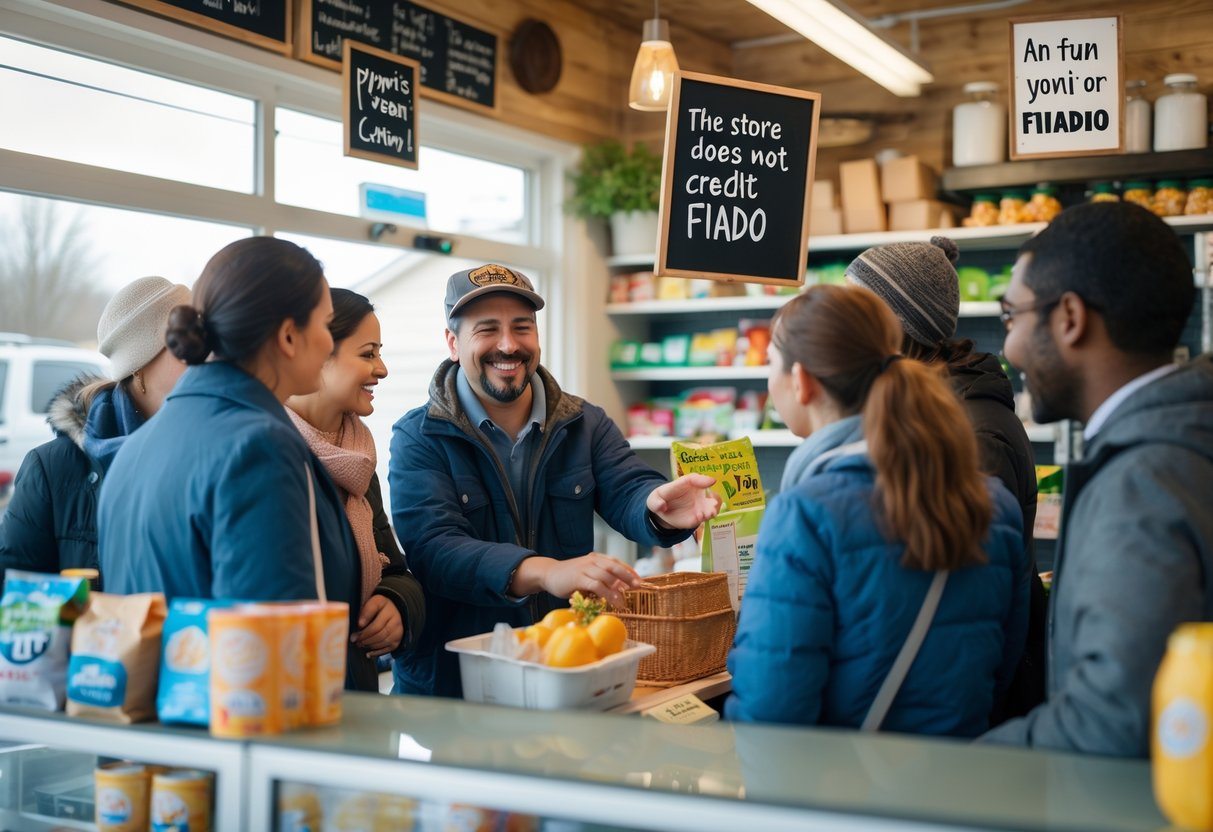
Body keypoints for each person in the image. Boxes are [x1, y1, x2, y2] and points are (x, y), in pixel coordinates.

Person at [388, 264, 721, 697]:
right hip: (456, 690)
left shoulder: (584, 423)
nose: (509, 345)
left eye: (522, 327)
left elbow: (628, 486)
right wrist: (546, 572)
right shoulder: (419, 436)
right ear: (453, 343)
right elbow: (435, 548)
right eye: (487, 329)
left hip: (566, 671)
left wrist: (655, 506)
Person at [726, 284, 1029, 736]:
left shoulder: (805, 514)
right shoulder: (993, 502)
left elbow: (772, 712)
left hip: (849, 796)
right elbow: (1005, 664)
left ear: (802, 380)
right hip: (962, 784)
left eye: (770, 361)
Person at [981, 202, 1213, 757]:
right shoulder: (1183, 439)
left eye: (1011, 315)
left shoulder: (1142, 482)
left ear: (1069, 318)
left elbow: (1109, 723)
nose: (1008, 348)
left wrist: (946, 773)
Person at [99, 238, 376, 691]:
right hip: (242, 748)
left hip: (154, 745)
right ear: (289, 336)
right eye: (325, 325)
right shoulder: (259, 447)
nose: (329, 341)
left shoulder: (134, 447)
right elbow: (275, 655)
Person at [845, 236, 1046, 723]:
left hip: (978, 712)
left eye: (855, 309)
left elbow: (961, 605)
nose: (841, 324)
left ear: (895, 327)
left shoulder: (971, 434)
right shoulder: (930, 414)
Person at [0, 276, 189, 587]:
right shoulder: (51, 469)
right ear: (139, 366)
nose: (202, 361)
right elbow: (18, 594)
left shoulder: (206, 451)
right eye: (183, 348)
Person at [286, 288, 425, 661]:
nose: (382, 369)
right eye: (368, 354)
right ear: (319, 355)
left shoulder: (357, 456)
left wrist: (396, 603)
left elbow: (395, 568)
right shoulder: (274, 455)